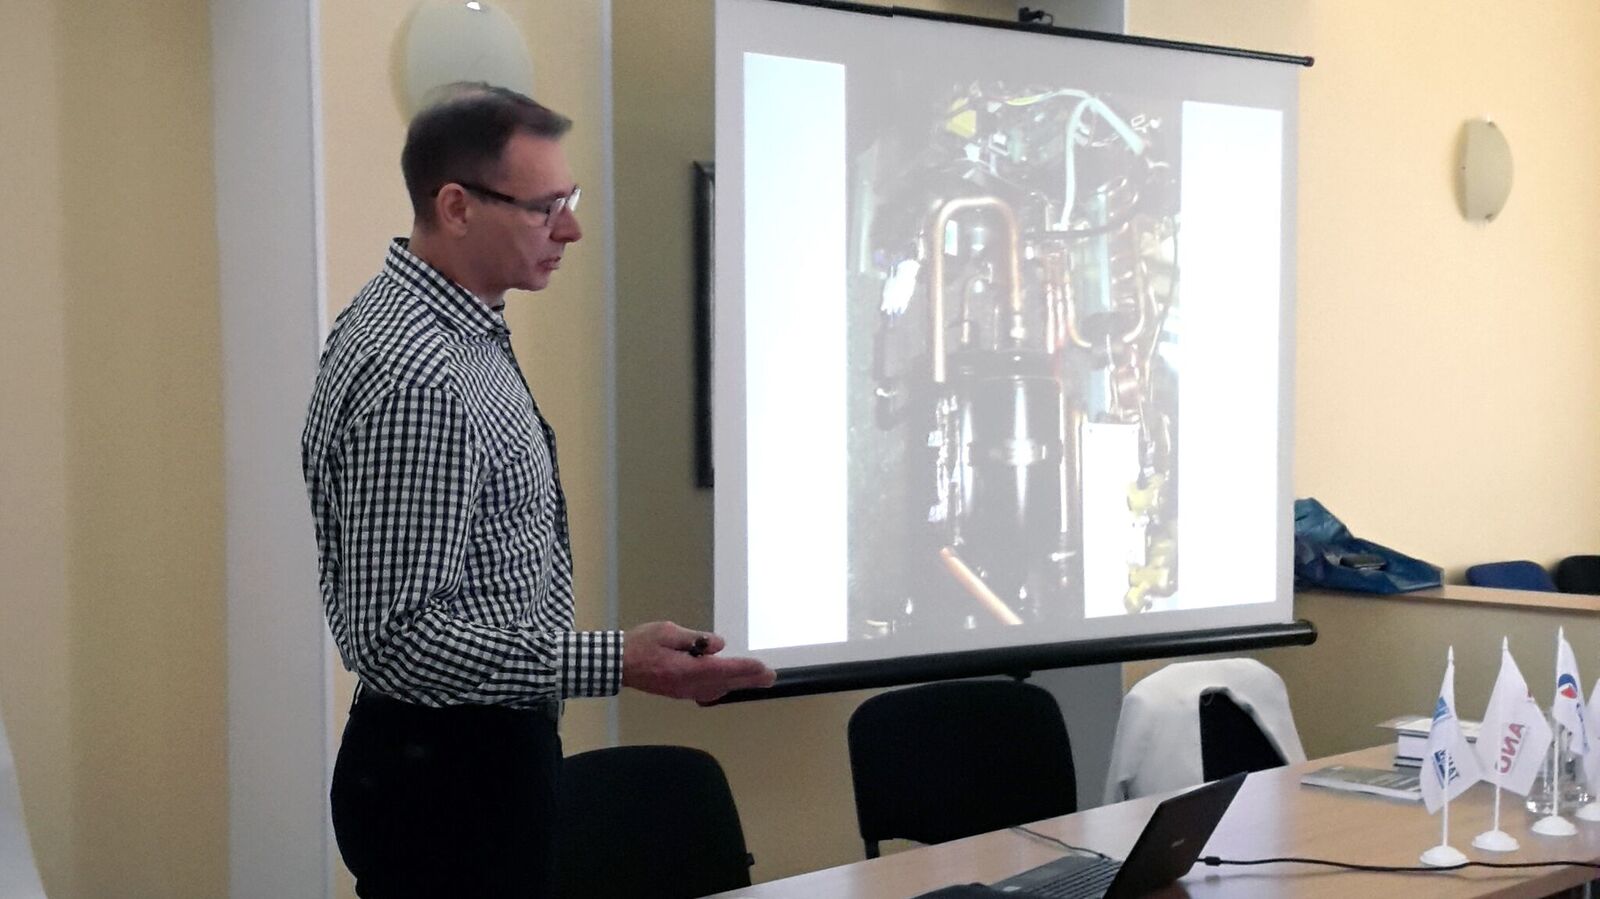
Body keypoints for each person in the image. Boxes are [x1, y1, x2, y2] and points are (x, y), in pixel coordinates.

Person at [300, 83, 775, 898]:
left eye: (570, 200)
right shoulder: (417, 369)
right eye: (543, 207)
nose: (571, 229)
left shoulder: (458, 327)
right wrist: (619, 658)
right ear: (456, 206)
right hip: (445, 780)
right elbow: (398, 637)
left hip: (476, 760)